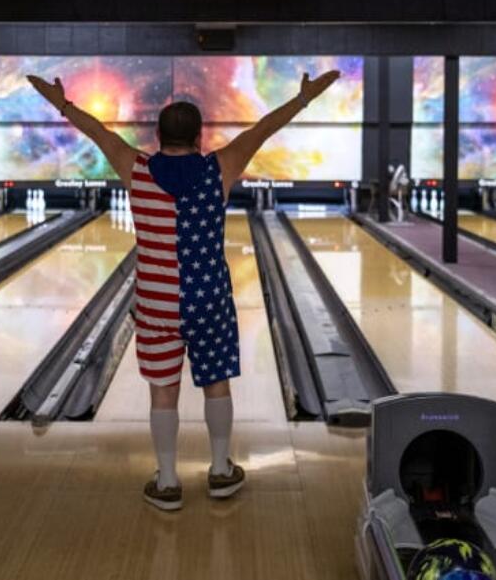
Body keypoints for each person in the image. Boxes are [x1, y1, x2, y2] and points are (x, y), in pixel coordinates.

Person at [28, 69, 340, 511]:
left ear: (157, 136)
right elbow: (264, 128)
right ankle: (219, 471)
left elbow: (96, 131)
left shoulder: (135, 167)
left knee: (163, 391)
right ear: (200, 137)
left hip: (156, 305)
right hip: (208, 299)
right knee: (216, 384)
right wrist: (303, 98)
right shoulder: (221, 167)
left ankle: (169, 481)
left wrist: (61, 103)